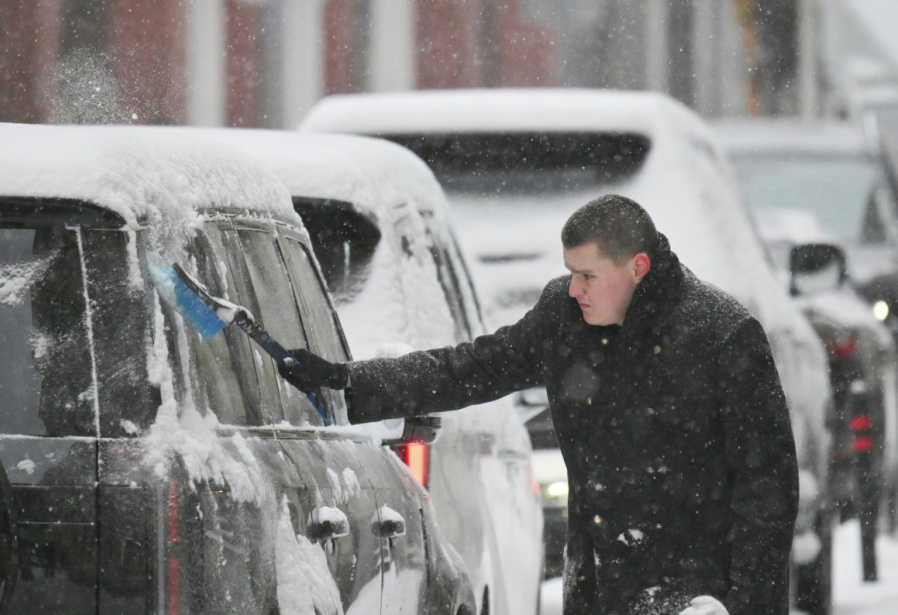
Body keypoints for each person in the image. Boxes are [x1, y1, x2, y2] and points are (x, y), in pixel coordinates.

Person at [279, 194, 799, 615]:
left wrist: (742, 604)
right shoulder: (565, 317)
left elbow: (767, 489)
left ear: (638, 267)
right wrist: (348, 382)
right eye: (570, 272)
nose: (574, 288)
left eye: (588, 275)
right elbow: (473, 367)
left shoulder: (721, 335)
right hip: (600, 585)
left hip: (698, 589)